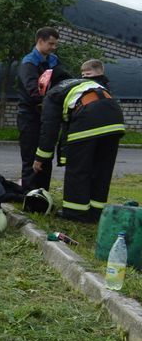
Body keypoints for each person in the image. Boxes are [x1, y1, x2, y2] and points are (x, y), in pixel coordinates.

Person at [33, 59, 124, 223]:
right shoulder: (81, 84)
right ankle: (96, 214)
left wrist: (41, 158)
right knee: (101, 170)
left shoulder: (53, 94)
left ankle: (75, 214)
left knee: (78, 169)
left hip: (88, 119)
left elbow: (49, 130)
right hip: (115, 120)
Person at [17, 26, 65, 190]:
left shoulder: (54, 61)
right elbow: (33, 91)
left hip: (48, 117)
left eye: (55, 44)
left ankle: (44, 194)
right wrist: (53, 101)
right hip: (30, 116)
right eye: (51, 44)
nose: (53, 47)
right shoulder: (29, 63)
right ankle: (29, 196)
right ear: (40, 41)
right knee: (31, 158)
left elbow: (64, 81)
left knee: (45, 156)